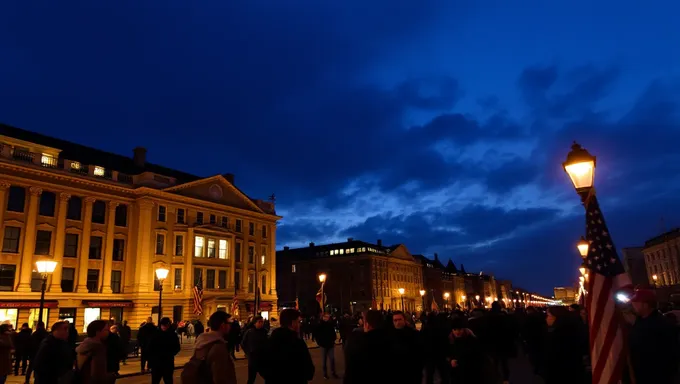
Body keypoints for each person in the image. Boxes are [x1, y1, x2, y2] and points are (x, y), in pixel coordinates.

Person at [628, 288, 679, 383]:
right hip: (642, 374)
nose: (632, 305)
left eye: (636, 302)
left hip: (658, 375)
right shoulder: (639, 322)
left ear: (645, 304)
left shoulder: (661, 324)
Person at [258, 308, 314, 384]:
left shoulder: (270, 340)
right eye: (299, 321)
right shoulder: (298, 343)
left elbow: (262, 364)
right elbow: (309, 370)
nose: (300, 324)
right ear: (293, 322)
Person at [183, 311, 236, 384]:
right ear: (223, 325)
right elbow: (220, 378)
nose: (230, 326)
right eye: (229, 323)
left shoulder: (202, 340)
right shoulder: (219, 347)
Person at [75, 320, 114, 384]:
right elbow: (98, 374)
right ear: (98, 332)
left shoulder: (85, 345)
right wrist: (110, 376)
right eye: (106, 330)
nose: (108, 332)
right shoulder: (98, 347)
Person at [148, 317, 181, 384]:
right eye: (162, 325)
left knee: (168, 380)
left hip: (167, 362)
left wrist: (170, 354)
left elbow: (177, 347)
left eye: (165, 325)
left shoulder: (172, 335)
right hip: (157, 363)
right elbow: (150, 348)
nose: (163, 327)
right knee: (155, 380)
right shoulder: (156, 334)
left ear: (168, 325)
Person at [240, 316, 268, 384]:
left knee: (268, 377)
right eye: (259, 322)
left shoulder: (264, 332)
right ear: (255, 323)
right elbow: (243, 343)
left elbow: (267, 343)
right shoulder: (249, 332)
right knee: (251, 378)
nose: (261, 323)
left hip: (262, 359)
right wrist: (248, 353)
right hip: (253, 359)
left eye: (262, 322)